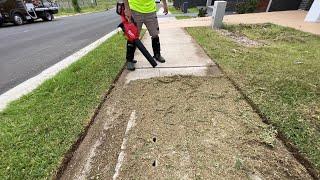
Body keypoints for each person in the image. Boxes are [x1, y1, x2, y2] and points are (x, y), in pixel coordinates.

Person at [123, 0, 168, 71]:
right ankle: (129, 60)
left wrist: (165, 4)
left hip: (151, 10)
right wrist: (127, 8)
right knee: (132, 36)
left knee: (155, 34)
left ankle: (157, 55)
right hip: (135, 10)